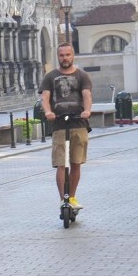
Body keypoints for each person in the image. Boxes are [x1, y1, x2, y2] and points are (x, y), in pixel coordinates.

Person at [40, 42, 93, 209]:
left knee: (76, 162)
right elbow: (45, 98)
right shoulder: (50, 76)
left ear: (73, 55)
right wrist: (48, 111)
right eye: (62, 55)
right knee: (61, 163)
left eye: (67, 55)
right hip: (59, 124)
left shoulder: (82, 75)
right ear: (58, 57)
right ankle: (63, 199)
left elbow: (86, 94)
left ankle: (73, 197)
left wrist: (87, 110)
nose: (65, 58)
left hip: (79, 122)